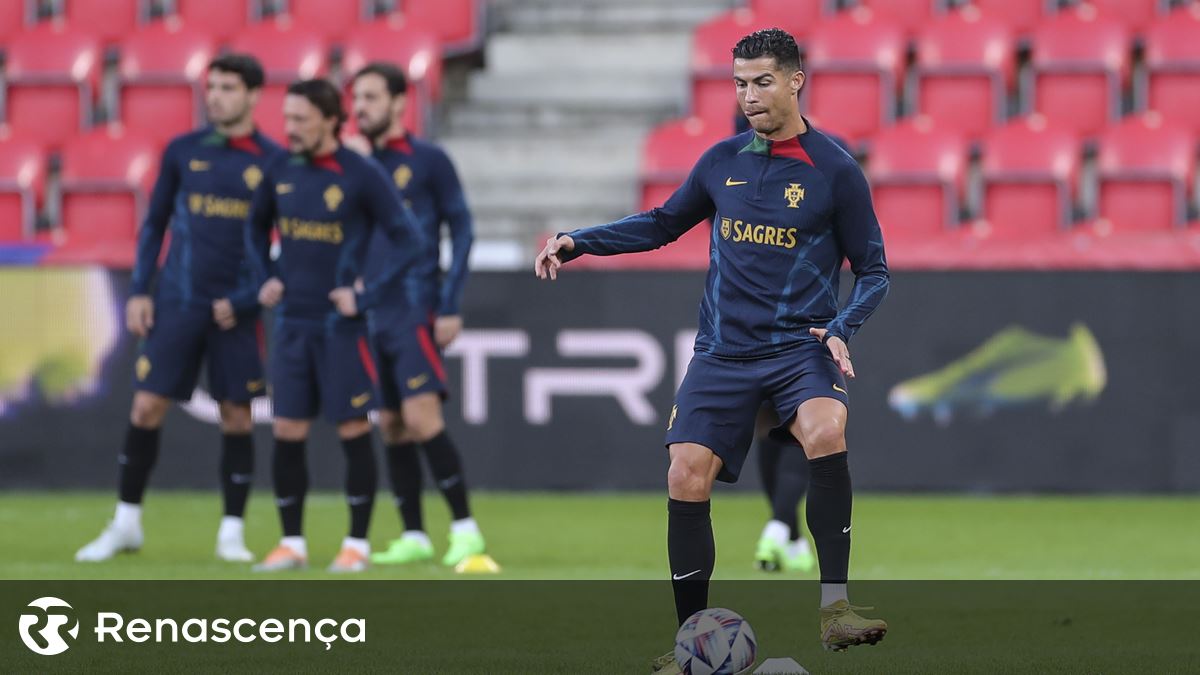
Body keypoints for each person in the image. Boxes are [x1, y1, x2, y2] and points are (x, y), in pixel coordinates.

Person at [533, 29, 890, 664]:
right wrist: (579, 239)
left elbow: (874, 269)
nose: (750, 95)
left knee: (824, 428)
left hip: (797, 344)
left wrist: (842, 327)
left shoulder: (835, 171)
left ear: (795, 80)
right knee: (684, 473)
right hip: (723, 351)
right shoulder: (721, 162)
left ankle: (835, 608)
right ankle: (690, 643)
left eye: (762, 82)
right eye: (740, 84)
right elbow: (662, 224)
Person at [76, 54, 284, 564]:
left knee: (237, 415)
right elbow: (154, 225)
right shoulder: (182, 151)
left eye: (228, 87)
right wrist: (142, 290)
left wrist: (253, 296)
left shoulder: (273, 161)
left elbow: (289, 240)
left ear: (254, 95)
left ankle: (231, 533)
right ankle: (126, 522)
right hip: (177, 300)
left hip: (235, 310)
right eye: (211, 86)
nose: (215, 96)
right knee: (146, 406)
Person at [244, 79, 422, 573]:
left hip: (339, 327)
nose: (290, 128)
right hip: (292, 323)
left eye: (301, 119)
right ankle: (292, 544)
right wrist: (265, 278)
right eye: (288, 118)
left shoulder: (359, 172)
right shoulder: (278, 168)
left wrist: (364, 295)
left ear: (329, 119)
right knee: (286, 429)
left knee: (351, 428)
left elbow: (408, 239)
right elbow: (254, 227)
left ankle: (356, 545)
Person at [346, 62, 485, 568]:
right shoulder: (352, 163)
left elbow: (462, 230)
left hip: (414, 304)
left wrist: (448, 304)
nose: (360, 108)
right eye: (355, 99)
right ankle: (413, 534)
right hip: (369, 310)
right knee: (390, 423)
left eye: (370, 97)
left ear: (400, 102)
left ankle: (466, 531)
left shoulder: (428, 160)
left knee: (423, 417)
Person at [753, 406, 815, 574]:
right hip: (763, 393)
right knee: (768, 433)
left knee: (800, 425)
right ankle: (794, 543)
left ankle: (775, 533)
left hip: (804, 388)